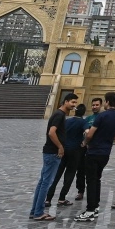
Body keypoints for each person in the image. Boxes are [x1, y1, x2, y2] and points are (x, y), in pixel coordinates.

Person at [75, 91, 115, 222]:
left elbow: (90, 134)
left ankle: (90, 210)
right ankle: (95, 206)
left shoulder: (101, 116)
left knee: (91, 180)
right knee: (97, 179)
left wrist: (85, 142)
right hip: (105, 152)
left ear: (106, 102)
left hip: (94, 151)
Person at [31, 92, 78, 221]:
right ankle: (38, 212)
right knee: (46, 183)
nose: (74, 105)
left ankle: (35, 210)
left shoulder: (59, 114)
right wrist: (60, 147)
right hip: (52, 152)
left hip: (49, 151)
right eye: (73, 102)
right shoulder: (59, 115)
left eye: (75, 103)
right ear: (66, 101)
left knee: (42, 182)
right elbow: (52, 132)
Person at [48, 103, 87, 207]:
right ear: (83, 113)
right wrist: (85, 141)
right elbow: (87, 132)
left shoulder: (67, 121)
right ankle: (62, 198)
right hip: (75, 151)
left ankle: (48, 198)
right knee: (69, 174)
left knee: (57, 174)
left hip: (64, 149)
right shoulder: (83, 122)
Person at [74, 97, 102, 201]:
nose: (94, 107)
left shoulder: (102, 117)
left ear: (101, 105)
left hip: (95, 148)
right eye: (93, 105)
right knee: (80, 170)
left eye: (97, 105)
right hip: (84, 148)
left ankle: (93, 194)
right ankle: (80, 191)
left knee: (93, 173)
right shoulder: (88, 118)